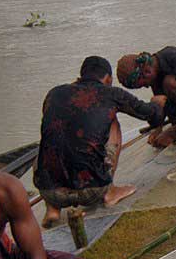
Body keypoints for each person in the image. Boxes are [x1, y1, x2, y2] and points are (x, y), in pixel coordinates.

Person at [33, 56, 166, 228]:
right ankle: (109, 191)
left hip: (49, 191)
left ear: (80, 76)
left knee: (54, 136)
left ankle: (52, 209)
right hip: (93, 191)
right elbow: (151, 115)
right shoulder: (111, 94)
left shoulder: (54, 93)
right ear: (108, 79)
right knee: (112, 123)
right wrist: (156, 103)